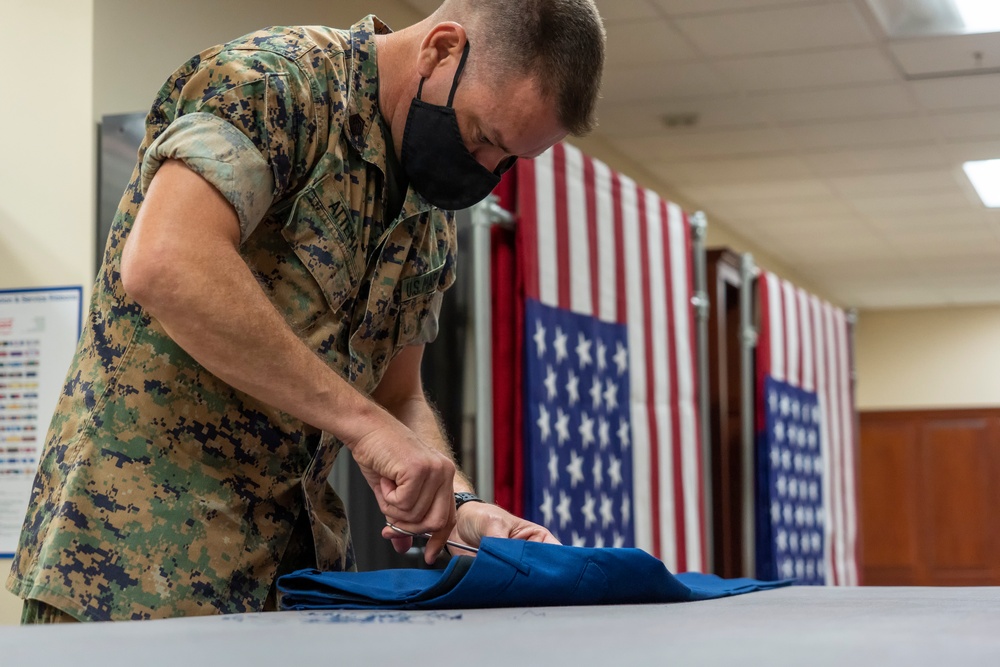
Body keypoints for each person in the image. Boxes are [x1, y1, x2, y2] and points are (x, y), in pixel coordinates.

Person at [8, 0, 606, 622]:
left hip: (290, 583)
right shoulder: (277, 85)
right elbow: (165, 261)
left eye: (509, 161)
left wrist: (455, 505)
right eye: (485, 137)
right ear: (440, 50)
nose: (486, 170)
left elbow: (397, 397)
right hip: (128, 573)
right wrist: (366, 429)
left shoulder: (426, 216)